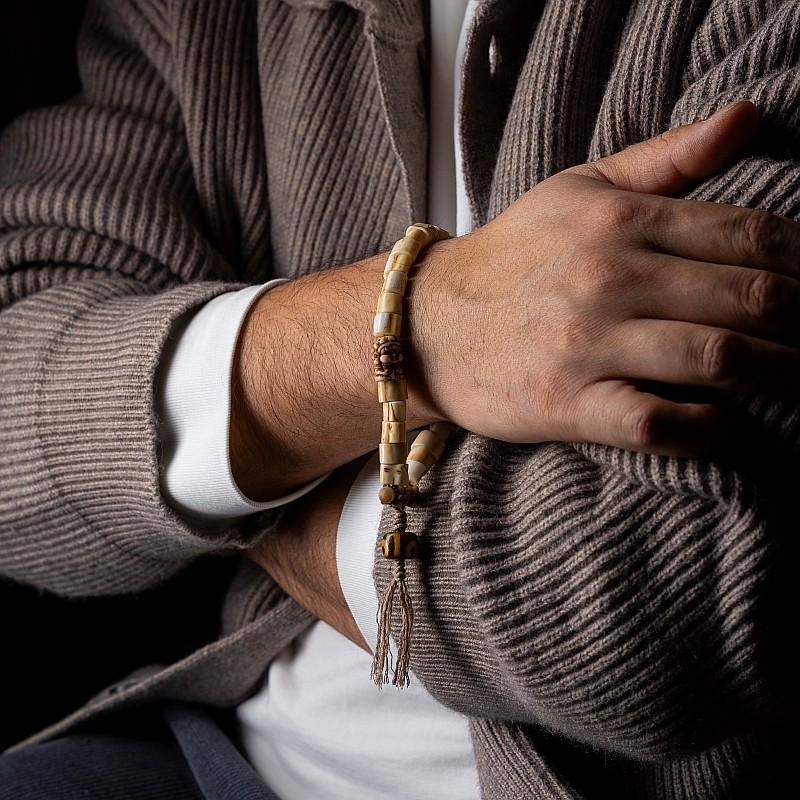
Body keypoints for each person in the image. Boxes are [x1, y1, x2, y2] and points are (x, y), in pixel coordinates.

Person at [0, 0, 797, 797]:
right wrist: (421, 321)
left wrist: (242, 456)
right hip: (235, 752)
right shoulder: (197, 17)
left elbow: (664, 601)